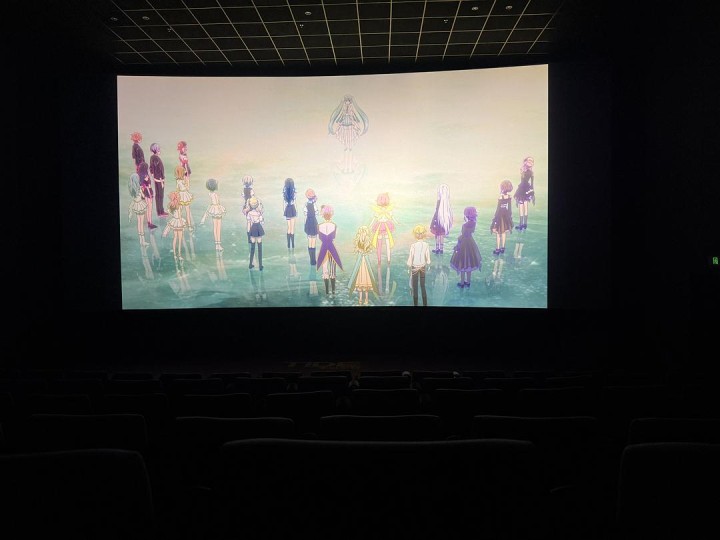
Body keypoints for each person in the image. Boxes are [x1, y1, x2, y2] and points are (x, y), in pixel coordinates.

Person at [328, 94, 369, 173]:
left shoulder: (351, 110)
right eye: (346, 102)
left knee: (349, 148)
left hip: (350, 129)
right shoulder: (343, 110)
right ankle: (346, 167)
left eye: (348, 102)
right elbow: (339, 118)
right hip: (344, 129)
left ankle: (350, 167)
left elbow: (356, 119)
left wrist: (354, 122)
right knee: (346, 148)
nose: (347, 104)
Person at [450, 207, 482, 288]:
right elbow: (472, 231)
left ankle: (462, 283)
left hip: (463, 244)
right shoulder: (474, 223)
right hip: (470, 243)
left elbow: (463, 235)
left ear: (467, 215)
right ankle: (468, 282)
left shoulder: (464, 225)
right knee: (469, 264)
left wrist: (457, 245)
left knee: (462, 264)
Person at [316, 204, 343, 295]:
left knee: (325, 270)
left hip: (323, 249)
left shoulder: (319, 226)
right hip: (331, 248)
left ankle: (327, 291)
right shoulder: (334, 225)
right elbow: (334, 237)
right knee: (332, 270)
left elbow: (319, 238)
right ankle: (333, 291)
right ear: (331, 214)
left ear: (323, 215)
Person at [348, 225, 377, 305]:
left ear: (366, 233)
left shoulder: (368, 241)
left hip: (365, 262)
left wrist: (365, 252)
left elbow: (370, 249)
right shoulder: (359, 241)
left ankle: (366, 299)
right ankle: (360, 299)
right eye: (362, 232)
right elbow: (357, 249)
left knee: (367, 281)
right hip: (360, 262)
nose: (363, 234)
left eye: (364, 232)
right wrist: (360, 251)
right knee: (360, 281)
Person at [369, 192, 396, 267]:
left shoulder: (388, 210)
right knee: (381, 243)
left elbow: (392, 217)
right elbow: (374, 218)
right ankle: (380, 260)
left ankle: (387, 260)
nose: (383, 201)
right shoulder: (379, 210)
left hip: (385, 225)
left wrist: (397, 222)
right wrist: (370, 225)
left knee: (386, 242)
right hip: (381, 226)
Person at [199, 178, 227, 252]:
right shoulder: (214, 195)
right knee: (218, 228)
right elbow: (216, 203)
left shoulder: (210, 194)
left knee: (216, 228)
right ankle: (218, 245)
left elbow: (212, 204)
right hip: (217, 210)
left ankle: (217, 245)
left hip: (215, 210)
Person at [407, 224, 431, 306]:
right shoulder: (426, 245)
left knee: (415, 286)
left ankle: (415, 304)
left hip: (414, 267)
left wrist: (409, 266)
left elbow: (411, 257)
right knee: (423, 286)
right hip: (423, 266)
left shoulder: (413, 246)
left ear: (415, 235)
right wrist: (428, 263)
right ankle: (425, 304)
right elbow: (428, 257)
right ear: (424, 234)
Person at [162, 190, 187, 263]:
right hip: (178, 222)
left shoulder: (173, 205)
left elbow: (169, 211)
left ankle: (176, 255)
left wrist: (173, 214)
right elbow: (178, 214)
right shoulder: (178, 205)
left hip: (177, 221)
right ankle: (178, 255)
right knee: (178, 238)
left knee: (177, 238)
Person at [490, 179, 514, 255]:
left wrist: (494, 221)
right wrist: (510, 218)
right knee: (504, 233)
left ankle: (497, 249)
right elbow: (509, 209)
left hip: (500, 217)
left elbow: (498, 210)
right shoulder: (509, 197)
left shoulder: (500, 197)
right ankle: (503, 248)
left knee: (498, 234)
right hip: (506, 216)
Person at [429, 184, 453, 254]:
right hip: (443, 220)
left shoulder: (439, 201)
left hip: (437, 219)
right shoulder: (447, 203)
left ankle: (437, 249)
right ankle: (441, 249)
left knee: (437, 234)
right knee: (441, 234)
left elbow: (437, 210)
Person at [128, 172, 149, 247]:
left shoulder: (132, 190)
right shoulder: (139, 188)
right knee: (141, 223)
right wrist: (143, 191)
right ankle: (143, 241)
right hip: (140, 205)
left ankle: (141, 241)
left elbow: (134, 199)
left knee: (139, 223)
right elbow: (143, 196)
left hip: (136, 205)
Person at [514, 156, 535, 231]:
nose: (530, 162)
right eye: (529, 161)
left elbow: (524, 182)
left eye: (531, 161)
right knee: (525, 207)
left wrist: (517, 192)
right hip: (526, 189)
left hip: (522, 189)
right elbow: (532, 184)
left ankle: (521, 224)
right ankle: (524, 224)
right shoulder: (530, 172)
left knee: (522, 207)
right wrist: (532, 193)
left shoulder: (523, 171)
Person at [148, 143, 168, 218]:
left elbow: (151, 168)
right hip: (159, 179)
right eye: (158, 149)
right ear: (156, 150)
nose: (159, 151)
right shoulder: (156, 158)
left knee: (158, 195)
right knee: (160, 195)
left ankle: (159, 212)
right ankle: (160, 212)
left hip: (156, 179)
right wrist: (161, 179)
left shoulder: (152, 157)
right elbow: (158, 169)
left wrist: (153, 176)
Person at [246, 197, 265, 270]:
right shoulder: (259, 213)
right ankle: (260, 266)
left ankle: (250, 264)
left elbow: (249, 223)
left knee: (252, 248)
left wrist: (249, 233)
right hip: (258, 228)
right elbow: (262, 222)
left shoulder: (249, 213)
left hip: (253, 229)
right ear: (257, 205)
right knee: (260, 248)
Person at [137, 161, 157, 230]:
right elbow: (147, 186)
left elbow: (142, 186)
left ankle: (149, 222)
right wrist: (150, 194)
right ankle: (150, 223)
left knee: (148, 208)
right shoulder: (145, 175)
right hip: (148, 192)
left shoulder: (140, 175)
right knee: (150, 208)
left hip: (145, 192)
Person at [175, 164, 194, 232]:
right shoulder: (184, 179)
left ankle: (180, 224)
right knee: (187, 211)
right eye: (184, 171)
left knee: (179, 211)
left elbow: (177, 189)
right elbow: (187, 188)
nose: (185, 171)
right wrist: (188, 181)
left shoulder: (178, 180)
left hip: (180, 195)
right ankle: (189, 226)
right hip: (185, 195)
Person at [304, 188, 319, 266]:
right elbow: (317, 212)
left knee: (310, 241)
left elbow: (305, 213)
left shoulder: (306, 204)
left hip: (308, 223)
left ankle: (311, 260)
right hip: (313, 222)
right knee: (313, 242)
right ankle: (313, 260)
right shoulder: (313, 204)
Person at [282, 177, 297, 249]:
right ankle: (293, 245)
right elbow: (295, 202)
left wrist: (284, 211)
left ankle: (288, 245)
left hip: (287, 209)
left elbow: (283, 203)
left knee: (288, 227)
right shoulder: (294, 192)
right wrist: (296, 211)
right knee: (292, 228)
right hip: (293, 209)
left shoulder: (284, 192)